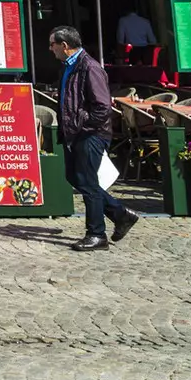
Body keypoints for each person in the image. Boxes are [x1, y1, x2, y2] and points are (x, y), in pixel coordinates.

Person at [50, 26, 136, 251]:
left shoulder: (89, 66)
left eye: (53, 44)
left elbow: (102, 106)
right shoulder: (68, 67)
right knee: (75, 177)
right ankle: (120, 214)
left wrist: (83, 126)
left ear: (65, 46)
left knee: (87, 182)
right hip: (75, 133)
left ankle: (97, 234)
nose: (51, 49)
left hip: (90, 133)